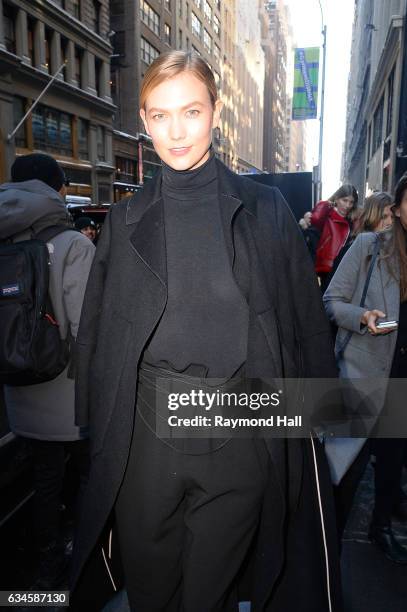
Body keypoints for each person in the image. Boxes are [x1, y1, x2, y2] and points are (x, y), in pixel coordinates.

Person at [71, 51, 342, 611]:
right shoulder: (123, 222)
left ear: (214, 113)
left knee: (209, 597)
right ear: (144, 121)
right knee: (151, 595)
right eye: (160, 115)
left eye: (191, 111)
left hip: (238, 428)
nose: (176, 131)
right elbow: (99, 334)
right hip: (146, 439)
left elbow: (305, 323)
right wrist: (93, 430)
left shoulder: (266, 210)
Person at [0, 153, 95, 587]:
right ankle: (91, 552)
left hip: (19, 384)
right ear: (58, 190)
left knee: (43, 478)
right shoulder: (74, 243)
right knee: (90, 473)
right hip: (70, 391)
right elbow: (86, 326)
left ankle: (47, 557)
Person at [324, 178, 407, 563]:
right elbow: (331, 301)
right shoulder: (370, 247)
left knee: (392, 469)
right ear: (397, 208)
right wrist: (362, 317)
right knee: (344, 477)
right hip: (364, 375)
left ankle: (381, 528)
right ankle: (325, 567)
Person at [311, 184, 358, 292]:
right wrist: (326, 205)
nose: (347, 205)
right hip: (328, 268)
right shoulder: (328, 215)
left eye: (351, 202)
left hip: (345, 268)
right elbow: (315, 219)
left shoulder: (353, 220)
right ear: (337, 198)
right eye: (344, 200)